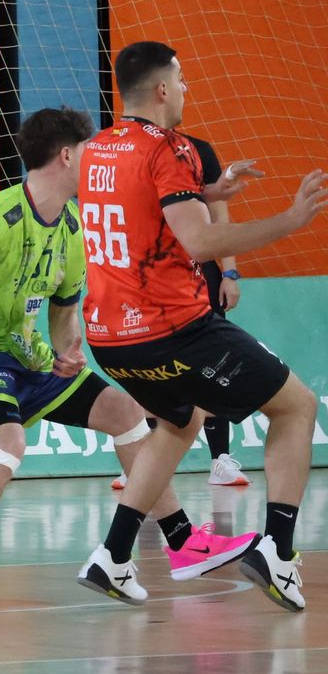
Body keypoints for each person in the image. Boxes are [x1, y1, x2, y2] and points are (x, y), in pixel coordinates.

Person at [0, 108, 255, 612]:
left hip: (33, 358)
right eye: (90, 150)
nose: (96, 159)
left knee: (127, 414)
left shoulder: (73, 225)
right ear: (69, 155)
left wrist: (67, 351)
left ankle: (182, 544)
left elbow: (64, 310)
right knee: (7, 444)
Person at [76, 40, 327, 610]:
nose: (188, 89)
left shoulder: (97, 150)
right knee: (297, 406)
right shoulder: (174, 148)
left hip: (110, 338)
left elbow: (139, 203)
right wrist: (288, 221)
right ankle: (279, 553)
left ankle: (114, 556)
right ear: (163, 89)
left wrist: (207, 192)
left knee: (178, 421)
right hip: (175, 329)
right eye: (183, 80)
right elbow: (201, 241)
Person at [107, 133, 249, 490]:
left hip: (200, 274)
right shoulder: (128, 152)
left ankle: (220, 461)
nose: (181, 88)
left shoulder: (199, 149)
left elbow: (218, 212)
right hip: (150, 276)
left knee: (214, 365)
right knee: (149, 370)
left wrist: (229, 271)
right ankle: (139, 464)